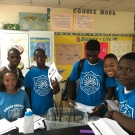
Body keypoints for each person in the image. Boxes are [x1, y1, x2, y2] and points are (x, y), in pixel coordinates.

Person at [67, 40, 115, 116]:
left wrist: (103, 104)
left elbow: (109, 91)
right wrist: (69, 98)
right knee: (80, 128)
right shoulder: (79, 64)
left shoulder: (105, 66)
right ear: (85, 51)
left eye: (94, 55)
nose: (91, 58)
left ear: (99, 51)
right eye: (88, 55)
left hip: (99, 109)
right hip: (80, 108)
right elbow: (71, 81)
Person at [104, 52, 135, 134]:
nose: (122, 73)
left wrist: (113, 114)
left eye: (129, 70)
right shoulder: (121, 87)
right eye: (120, 68)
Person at [24, 48, 60, 115]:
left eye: (42, 56)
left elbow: (56, 91)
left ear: (45, 57)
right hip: (35, 110)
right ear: (34, 59)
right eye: (37, 57)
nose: (40, 58)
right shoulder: (29, 74)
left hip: (49, 109)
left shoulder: (51, 71)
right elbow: (27, 95)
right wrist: (28, 109)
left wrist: (56, 87)